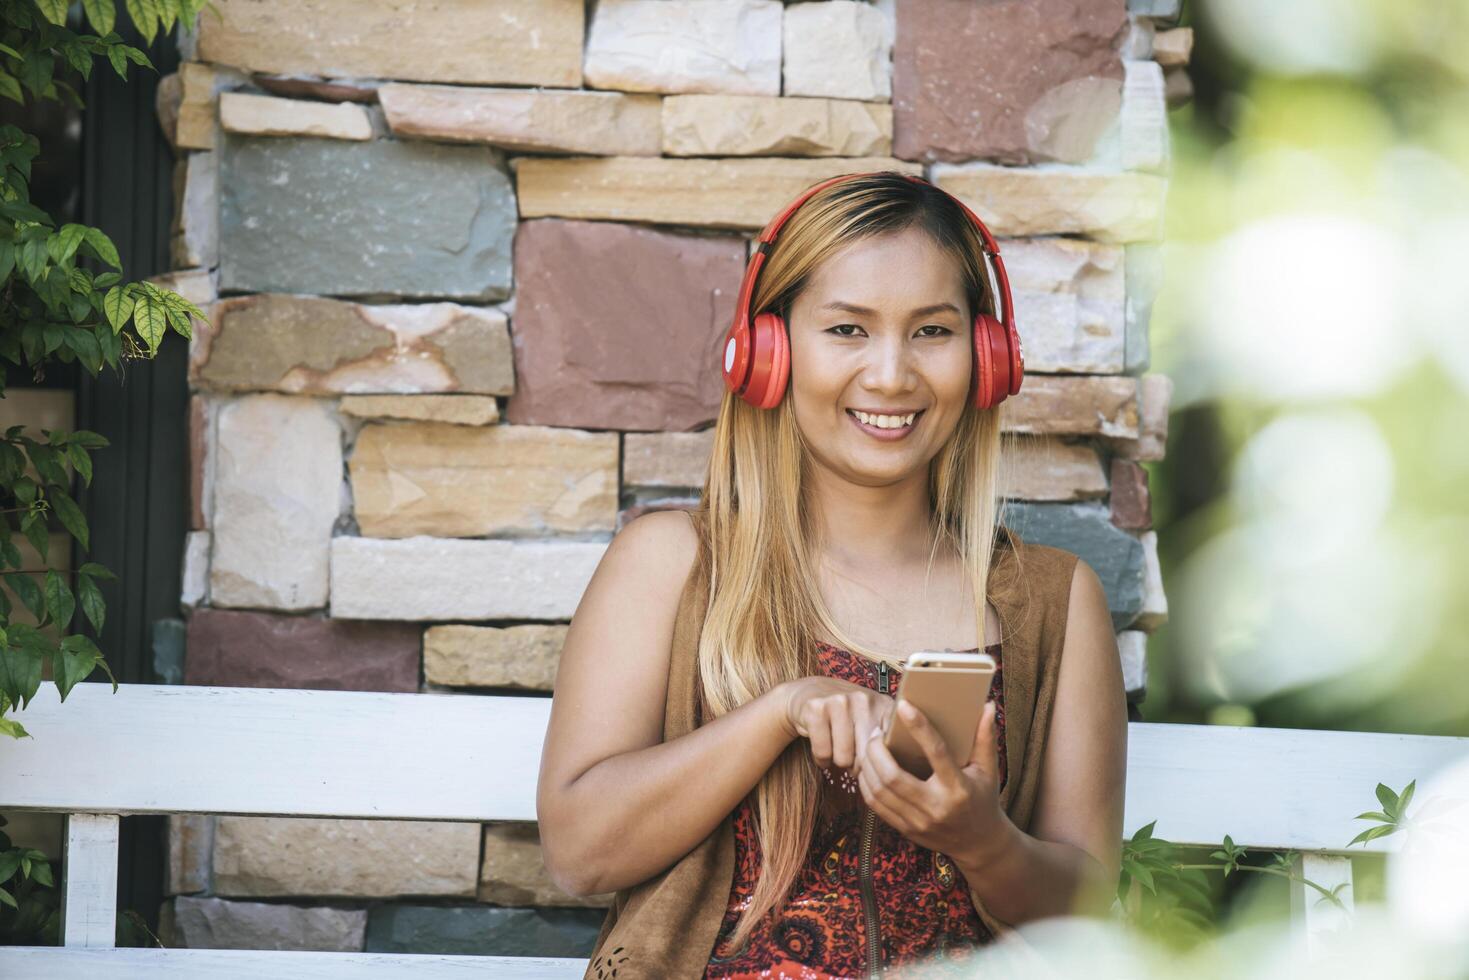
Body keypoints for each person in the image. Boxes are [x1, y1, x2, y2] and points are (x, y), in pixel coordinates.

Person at [538, 171, 1128, 979]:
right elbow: (580, 854)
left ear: (986, 358)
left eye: (932, 332)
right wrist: (781, 712)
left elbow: (1088, 909)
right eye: (848, 330)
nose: (891, 375)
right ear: (769, 351)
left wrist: (982, 841)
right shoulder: (671, 565)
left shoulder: (1054, 601)